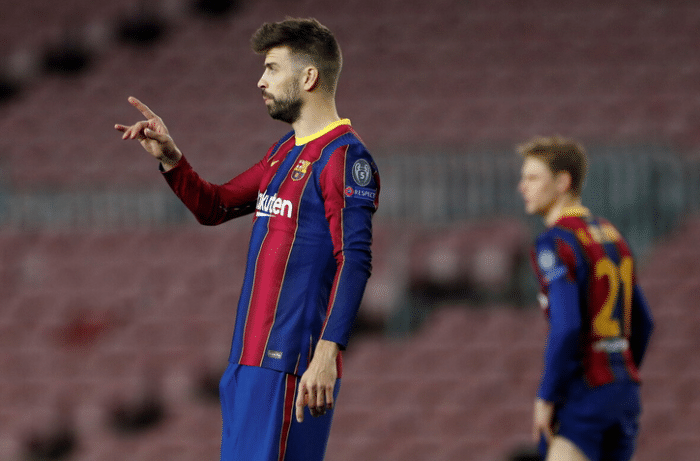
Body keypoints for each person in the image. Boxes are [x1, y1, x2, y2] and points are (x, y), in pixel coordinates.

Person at [115, 17, 379, 461]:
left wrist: (325, 355)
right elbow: (215, 207)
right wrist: (172, 159)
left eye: (272, 68)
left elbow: (354, 259)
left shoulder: (344, 158)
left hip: (290, 364)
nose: (261, 81)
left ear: (308, 77)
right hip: (246, 363)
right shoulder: (283, 151)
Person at [516, 136, 654, 461]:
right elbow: (643, 322)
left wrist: (546, 396)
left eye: (533, 178)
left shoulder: (555, 242)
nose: (522, 187)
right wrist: (618, 371)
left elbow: (566, 326)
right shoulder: (613, 235)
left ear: (563, 182)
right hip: (624, 392)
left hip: (585, 393)